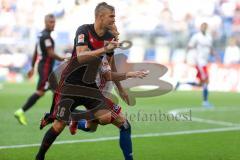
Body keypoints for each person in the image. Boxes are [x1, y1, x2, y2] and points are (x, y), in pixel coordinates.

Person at [35, 3, 146, 160]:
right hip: (70, 83)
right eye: (112, 18)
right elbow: (81, 56)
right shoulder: (84, 30)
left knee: (109, 119)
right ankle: (40, 156)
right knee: (59, 125)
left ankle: (70, 118)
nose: (115, 22)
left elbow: (109, 71)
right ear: (101, 17)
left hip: (90, 86)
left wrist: (122, 87)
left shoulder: (110, 39)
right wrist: (104, 49)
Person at [14, 14, 65, 125]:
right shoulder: (46, 37)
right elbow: (50, 53)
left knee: (57, 91)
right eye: (50, 22)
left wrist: (32, 67)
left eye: (54, 22)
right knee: (44, 92)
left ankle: (56, 115)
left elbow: (36, 52)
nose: (53, 24)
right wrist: (62, 58)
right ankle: (21, 111)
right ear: (45, 22)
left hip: (45, 69)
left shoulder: (41, 35)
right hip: (45, 69)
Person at [175, 22, 217, 107]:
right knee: (206, 81)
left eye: (205, 26)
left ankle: (181, 83)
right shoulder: (196, 37)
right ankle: (205, 102)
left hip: (205, 61)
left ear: (207, 28)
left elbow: (210, 48)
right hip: (200, 62)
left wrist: (214, 54)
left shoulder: (209, 37)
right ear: (200, 28)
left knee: (201, 84)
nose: (204, 28)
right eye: (202, 26)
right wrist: (185, 57)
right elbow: (189, 46)